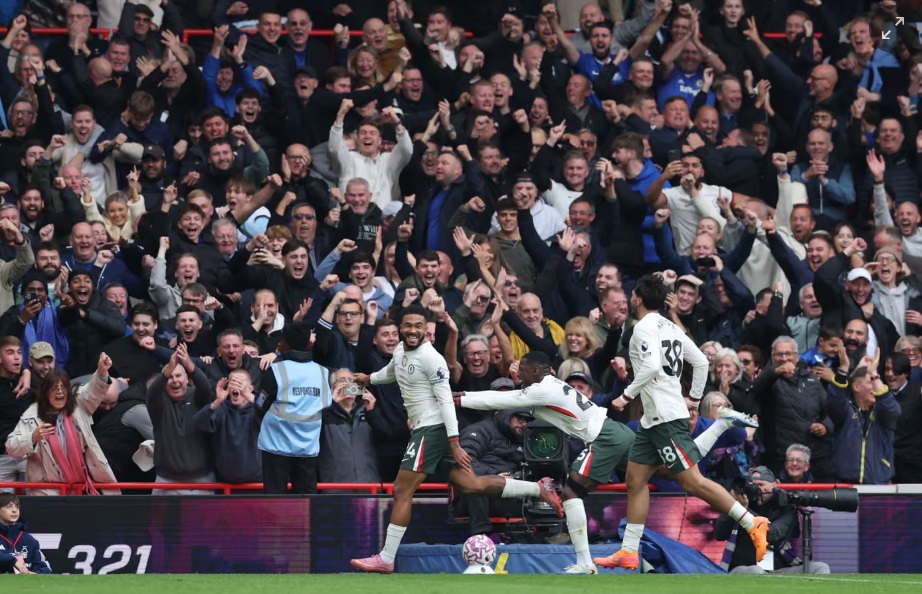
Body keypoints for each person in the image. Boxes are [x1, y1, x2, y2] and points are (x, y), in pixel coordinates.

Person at [457, 350, 757, 573]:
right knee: (676, 471)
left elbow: (499, 401)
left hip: (604, 438)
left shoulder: (540, 388)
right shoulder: (549, 386)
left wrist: (459, 399)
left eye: (523, 370)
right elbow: (526, 400)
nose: (519, 373)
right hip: (613, 432)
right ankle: (721, 425)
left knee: (572, 492)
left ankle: (584, 562)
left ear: (536, 370)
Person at [349, 305, 563, 574]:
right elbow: (393, 371)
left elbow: (447, 402)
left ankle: (387, 558)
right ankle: (538, 489)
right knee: (471, 484)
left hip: (433, 429)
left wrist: (454, 442)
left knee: (401, 490)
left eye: (418, 326)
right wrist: (368, 378)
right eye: (408, 326)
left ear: (427, 329)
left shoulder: (433, 359)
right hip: (426, 430)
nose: (413, 330)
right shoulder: (401, 351)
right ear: (401, 327)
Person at [593, 274, 770, 570]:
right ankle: (629, 550)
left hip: (664, 418)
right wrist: (694, 398)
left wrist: (625, 396)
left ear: (637, 298)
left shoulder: (642, 329)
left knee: (693, 482)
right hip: (654, 419)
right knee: (635, 480)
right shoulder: (670, 327)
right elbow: (700, 361)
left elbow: (649, 367)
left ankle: (753, 523)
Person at [4, 353, 118, 496]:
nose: (59, 392)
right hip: (46, 492)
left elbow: (94, 390)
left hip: (81, 488)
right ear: (45, 393)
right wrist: (32, 437)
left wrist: (101, 371)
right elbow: (11, 447)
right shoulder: (32, 414)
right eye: (54, 388)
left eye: (63, 387)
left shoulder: (79, 405)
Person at [716, 466, 830, 574]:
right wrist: (731, 506)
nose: (758, 489)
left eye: (761, 484)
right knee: (756, 571)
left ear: (775, 484)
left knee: (820, 568)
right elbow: (719, 534)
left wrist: (743, 511)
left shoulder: (786, 507)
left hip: (779, 571)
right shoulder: (739, 506)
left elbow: (771, 533)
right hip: (744, 570)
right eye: (753, 485)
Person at [0, 493, 52, 573]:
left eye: (17, 507)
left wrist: (35, 575)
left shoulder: (28, 539)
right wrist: (13, 561)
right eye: (8, 507)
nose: (14, 510)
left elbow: (46, 568)